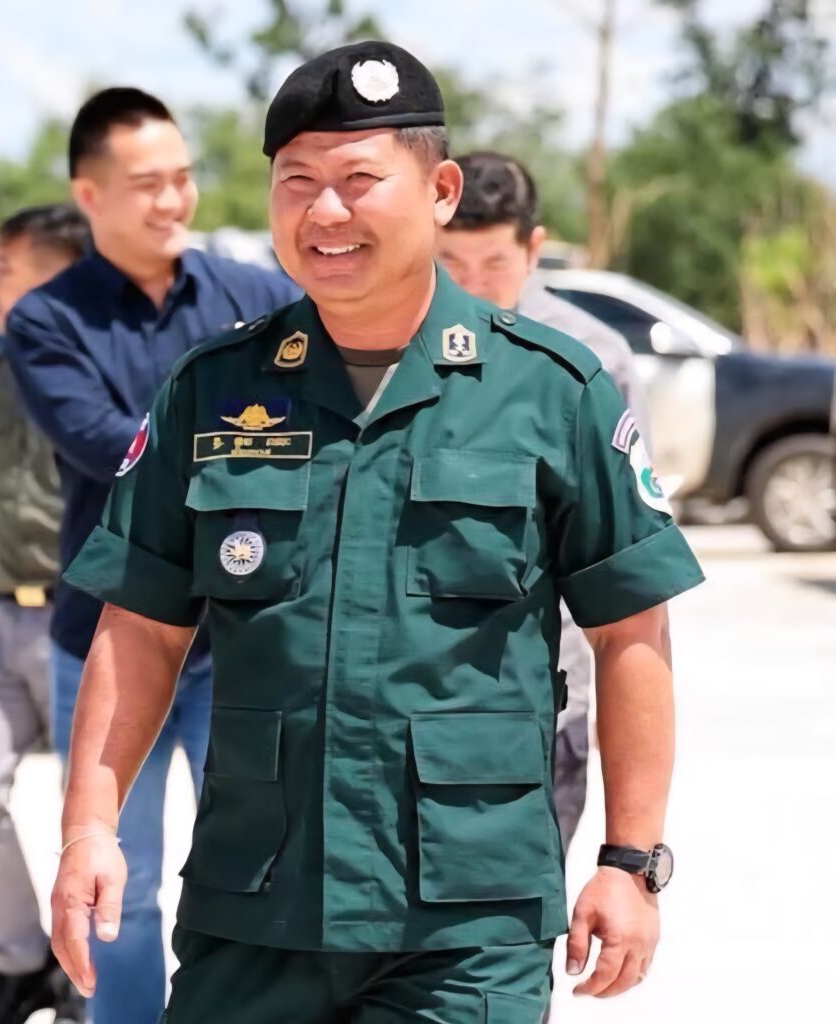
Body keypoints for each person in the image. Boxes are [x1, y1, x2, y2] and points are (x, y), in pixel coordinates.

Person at [51, 43, 704, 1023]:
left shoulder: (550, 390)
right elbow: (141, 626)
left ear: (439, 192)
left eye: (358, 179)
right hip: (254, 908)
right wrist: (89, 830)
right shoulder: (212, 390)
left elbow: (629, 632)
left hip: (464, 923)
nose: (324, 211)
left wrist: (629, 859)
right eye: (296, 180)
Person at [4, 89, 299, 1024]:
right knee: (114, 895)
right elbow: (108, 447)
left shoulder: (259, 298)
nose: (174, 200)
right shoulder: (47, 320)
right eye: (147, 184)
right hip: (106, 641)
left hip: (244, 643)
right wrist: (249, 445)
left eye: (182, 177)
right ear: (89, 195)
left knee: (258, 877)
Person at [435, 150, 651, 852]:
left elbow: (631, 568)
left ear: (534, 248)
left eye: (494, 264)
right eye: (450, 262)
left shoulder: (590, 358)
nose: (471, 285)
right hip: (417, 696)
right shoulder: (389, 345)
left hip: (544, 699)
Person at [0, 205, 90, 1024]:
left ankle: (91, 980)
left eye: (9, 270)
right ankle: (23, 960)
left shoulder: (111, 374)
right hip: (1, 617)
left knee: (97, 824)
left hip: (88, 623)